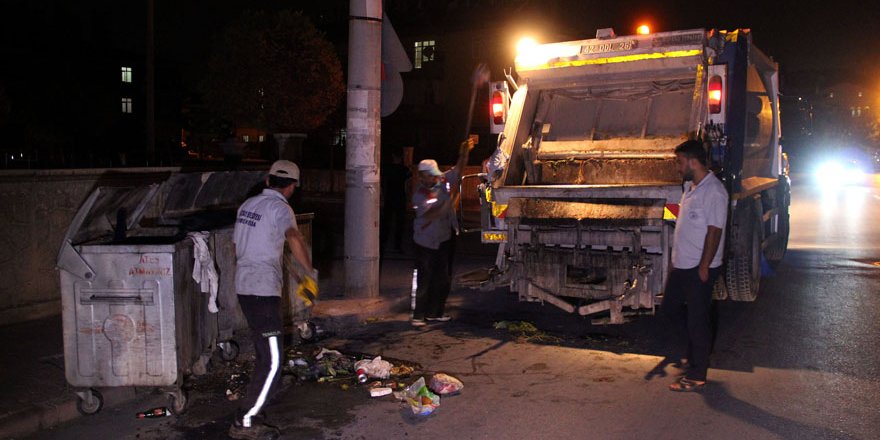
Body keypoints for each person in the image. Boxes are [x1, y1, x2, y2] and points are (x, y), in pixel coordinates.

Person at [229, 160, 316, 440]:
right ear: (291, 187)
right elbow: (293, 236)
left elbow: (238, 246)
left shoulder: (247, 206)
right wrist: (308, 273)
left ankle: (258, 400)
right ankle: (245, 420)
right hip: (262, 290)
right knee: (274, 359)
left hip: (245, 285)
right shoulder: (281, 208)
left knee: (266, 353)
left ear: (268, 179)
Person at [663, 140, 728, 392]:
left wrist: (705, 265)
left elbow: (714, 230)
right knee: (670, 310)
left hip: (699, 267)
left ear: (692, 161)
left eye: (679, 162)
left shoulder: (714, 191)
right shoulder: (691, 188)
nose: (677, 167)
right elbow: (683, 217)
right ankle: (693, 353)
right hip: (682, 265)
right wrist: (666, 213)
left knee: (697, 320)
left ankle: (697, 374)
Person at [410, 139, 474, 326]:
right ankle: (418, 316)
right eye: (426, 176)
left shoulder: (443, 180)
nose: (430, 178)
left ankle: (435, 313)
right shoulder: (420, 193)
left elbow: (459, 170)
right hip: (425, 242)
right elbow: (433, 213)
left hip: (444, 238)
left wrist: (464, 153)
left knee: (442, 279)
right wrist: (452, 199)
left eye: (432, 175)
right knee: (424, 279)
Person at [380, 150, 411, 255]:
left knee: (387, 222)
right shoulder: (404, 170)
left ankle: (384, 244)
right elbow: (407, 184)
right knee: (398, 223)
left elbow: (383, 183)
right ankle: (396, 245)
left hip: (391, 197)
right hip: (399, 198)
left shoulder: (388, 169)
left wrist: (383, 194)